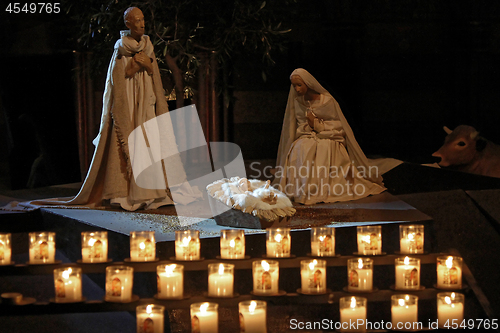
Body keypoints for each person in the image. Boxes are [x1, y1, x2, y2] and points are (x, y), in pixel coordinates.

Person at [30, 7, 201, 211]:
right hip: (128, 105)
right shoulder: (121, 48)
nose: (142, 24)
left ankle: (154, 192)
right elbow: (117, 80)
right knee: (129, 145)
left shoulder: (148, 46)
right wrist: (136, 66)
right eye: (136, 21)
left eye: (143, 20)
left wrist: (147, 64)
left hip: (146, 104)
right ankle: (127, 193)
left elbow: (154, 74)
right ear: (128, 24)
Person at [273, 68, 401, 205]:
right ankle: (301, 188)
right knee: (300, 147)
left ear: (308, 83)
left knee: (323, 149)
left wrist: (318, 125)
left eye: (300, 85)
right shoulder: (298, 102)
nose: (297, 89)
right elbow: (299, 125)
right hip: (308, 136)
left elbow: (338, 125)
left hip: (329, 137)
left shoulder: (327, 101)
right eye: (294, 86)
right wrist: (308, 127)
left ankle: (317, 188)